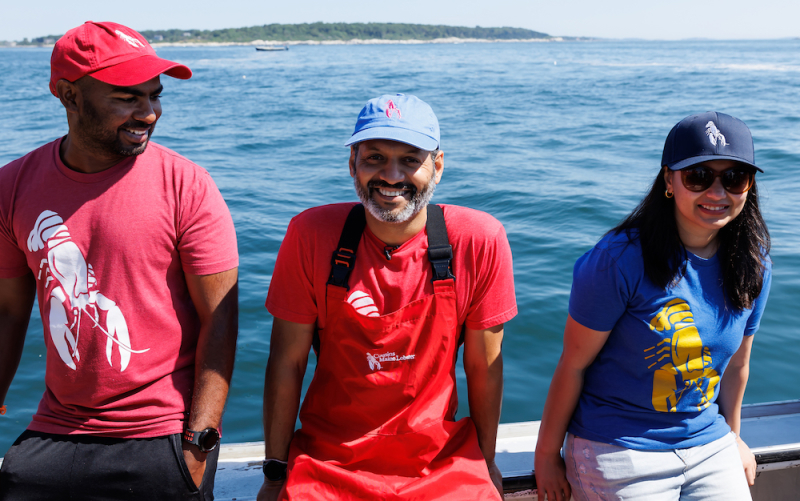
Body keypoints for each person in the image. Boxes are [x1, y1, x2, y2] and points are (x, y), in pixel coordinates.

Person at [0, 21, 239, 500]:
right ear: (69, 95)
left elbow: (221, 318)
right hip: (57, 424)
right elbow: (7, 313)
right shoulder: (12, 187)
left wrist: (199, 443)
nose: (148, 113)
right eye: (128, 97)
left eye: (155, 96)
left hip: (162, 433)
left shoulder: (187, 185)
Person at [258, 94, 517, 500]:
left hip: (441, 460)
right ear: (352, 165)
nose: (391, 176)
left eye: (411, 159)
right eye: (375, 158)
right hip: (328, 460)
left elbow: (484, 366)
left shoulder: (478, 239)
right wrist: (275, 473)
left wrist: (485, 462)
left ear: (438, 167)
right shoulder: (310, 234)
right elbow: (286, 362)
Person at [534, 112, 771, 501]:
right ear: (668, 180)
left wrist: (734, 438)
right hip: (617, 444)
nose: (717, 193)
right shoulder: (618, 260)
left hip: (707, 441)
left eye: (734, 178)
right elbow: (573, 365)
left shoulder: (753, 265)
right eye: (698, 176)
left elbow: (737, 368)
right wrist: (546, 456)